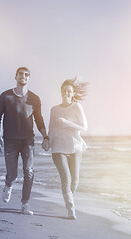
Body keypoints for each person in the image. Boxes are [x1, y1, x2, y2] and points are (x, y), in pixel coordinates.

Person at [0, 67, 50, 215]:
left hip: (28, 141)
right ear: (16, 77)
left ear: (29, 78)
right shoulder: (6, 96)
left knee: (29, 171)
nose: (23, 77)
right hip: (10, 141)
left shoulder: (34, 99)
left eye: (26, 75)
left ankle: (25, 204)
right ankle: (8, 185)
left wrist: (45, 137)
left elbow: (39, 119)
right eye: (21, 74)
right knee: (12, 174)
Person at [48, 78, 88, 220]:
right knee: (66, 178)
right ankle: (71, 209)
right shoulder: (54, 110)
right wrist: (47, 141)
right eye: (64, 90)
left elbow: (84, 127)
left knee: (75, 181)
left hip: (75, 147)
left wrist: (67, 123)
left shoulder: (77, 107)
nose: (66, 93)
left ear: (72, 93)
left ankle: (68, 198)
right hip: (58, 148)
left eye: (69, 91)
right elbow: (51, 129)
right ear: (61, 92)